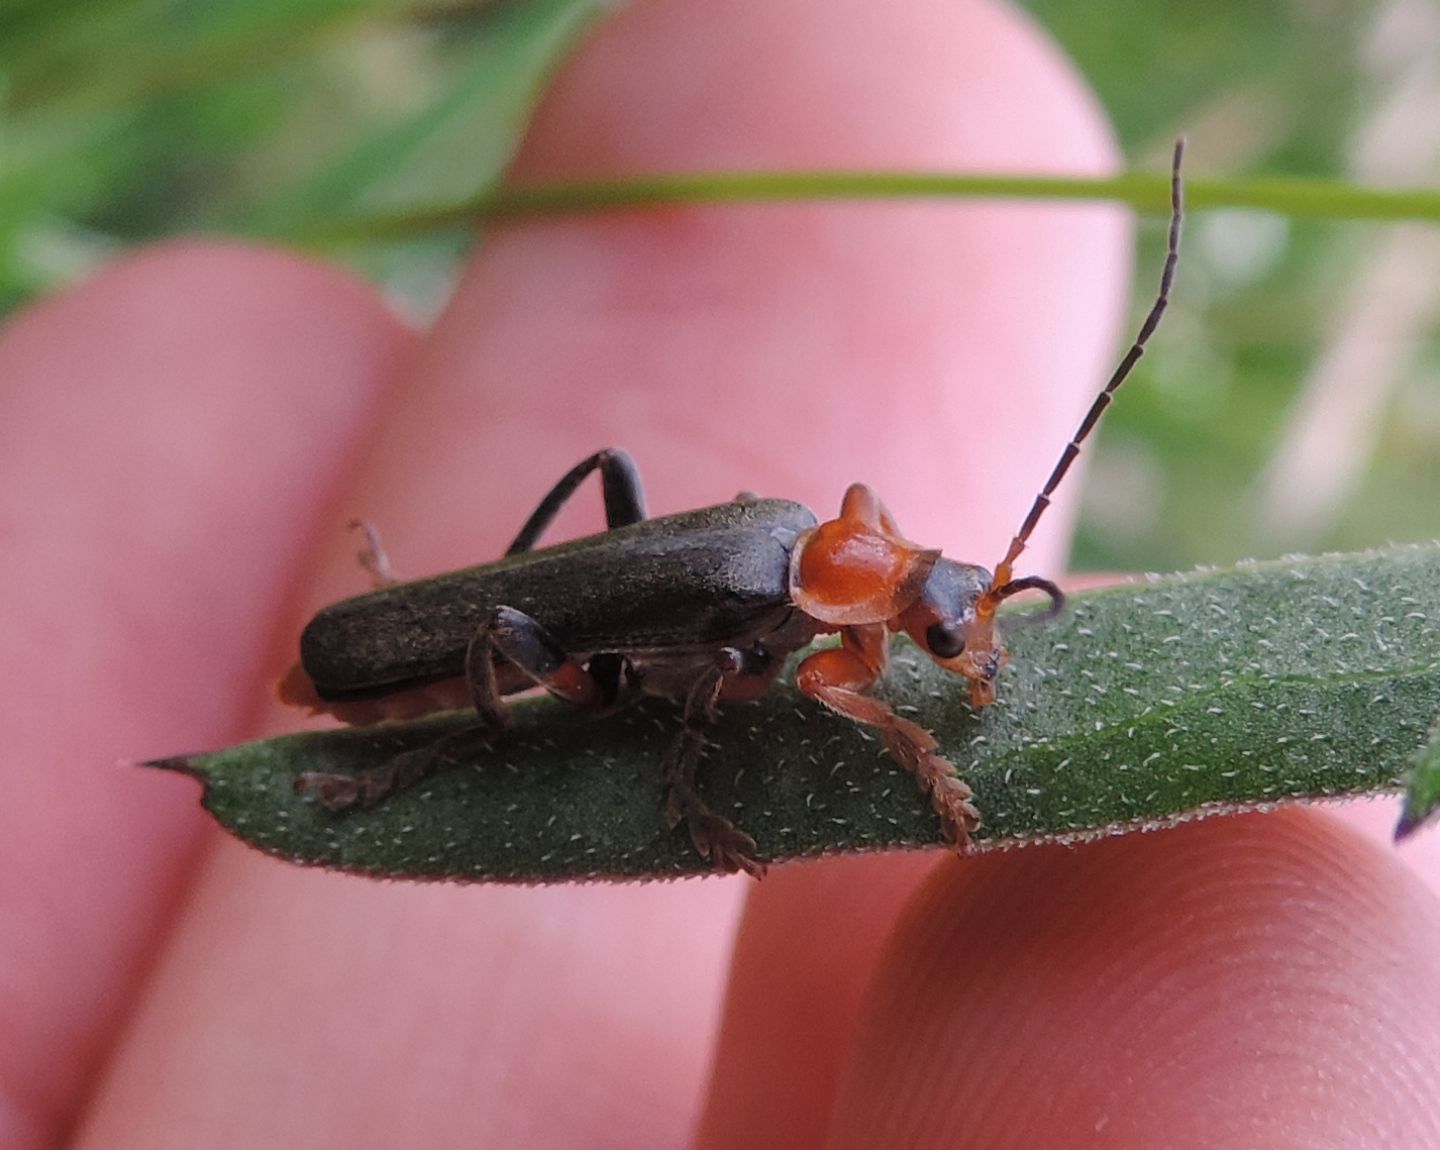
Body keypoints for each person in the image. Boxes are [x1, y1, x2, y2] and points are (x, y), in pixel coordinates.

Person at [6, 0, 1440, 1144]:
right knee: (541, 621)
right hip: (428, 649)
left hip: (611, 607)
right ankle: (425, 768)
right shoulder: (789, 608)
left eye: (958, 628)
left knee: (611, 564)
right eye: (952, 629)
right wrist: (752, 776)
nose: (964, 654)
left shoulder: (832, 559)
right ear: (892, 594)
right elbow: (721, 689)